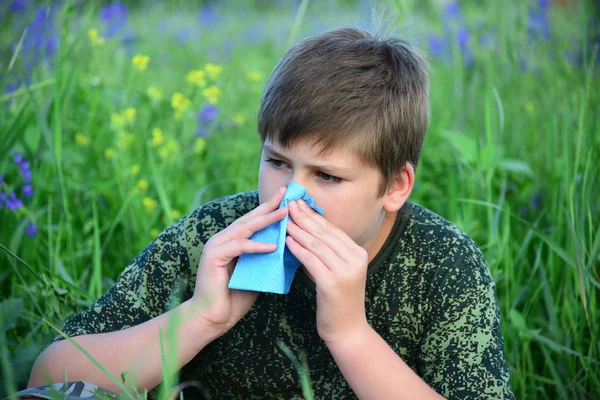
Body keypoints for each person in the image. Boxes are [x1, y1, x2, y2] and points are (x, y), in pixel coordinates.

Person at [26, 26, 515, 399]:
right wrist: (200, 317)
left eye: (327, 176)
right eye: (277, 162)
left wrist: (349, 333)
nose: (290, 197)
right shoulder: (217, 237)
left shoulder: (442, 264)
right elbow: (49, 378)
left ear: (394, 186)